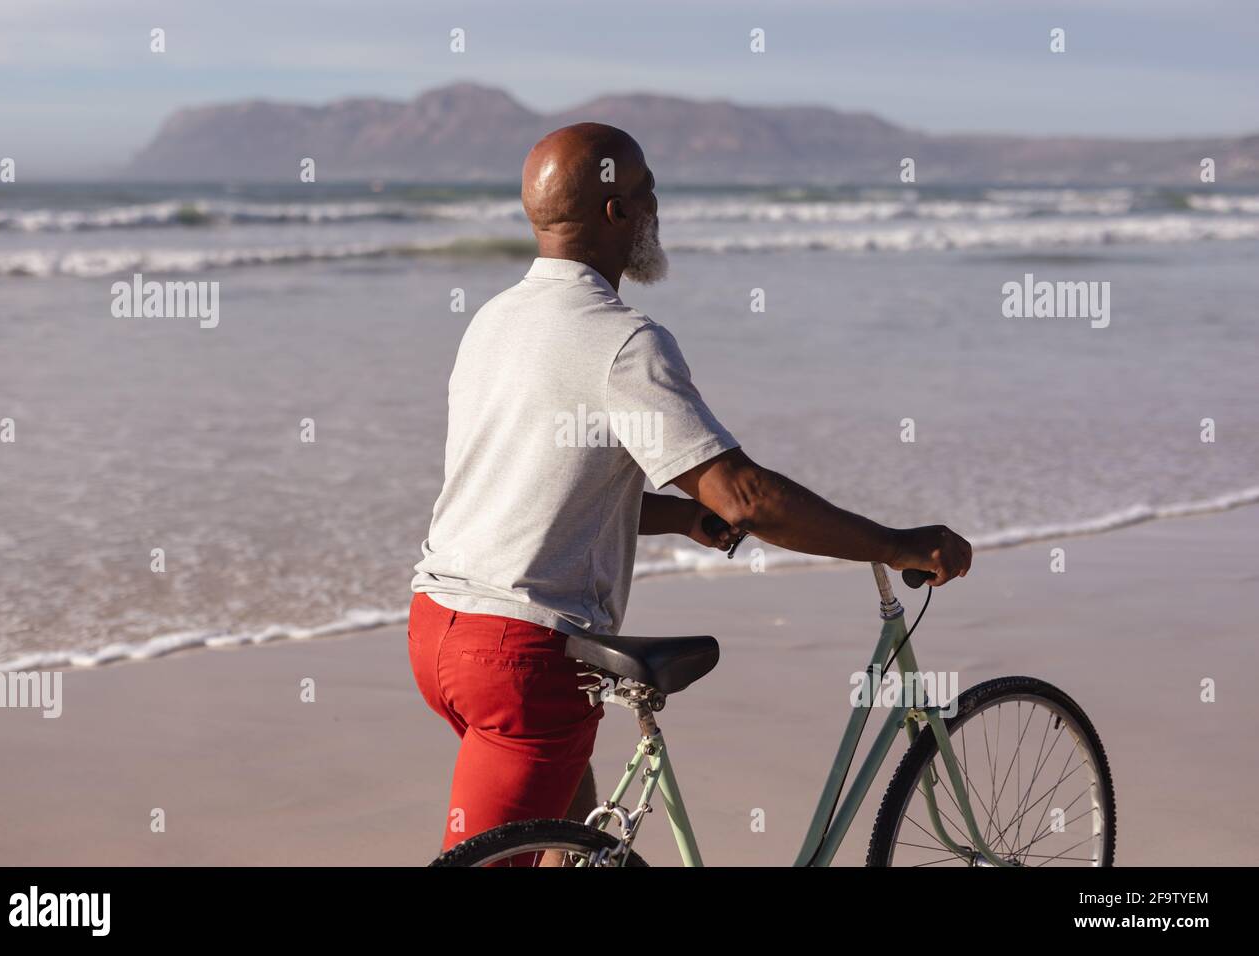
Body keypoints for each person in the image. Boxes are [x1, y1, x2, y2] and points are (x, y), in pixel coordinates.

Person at [408, 122, 972, 855]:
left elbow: (530, 484)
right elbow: (745, 495)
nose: (655, 206)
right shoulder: (620, 340)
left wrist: (676, 516)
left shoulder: (492, 322)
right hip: (521, 660)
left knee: (570, 849)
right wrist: (896, 542)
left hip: (436, 631)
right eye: (647, 190)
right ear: (617, 213)